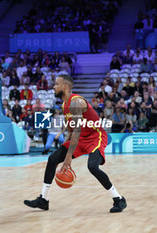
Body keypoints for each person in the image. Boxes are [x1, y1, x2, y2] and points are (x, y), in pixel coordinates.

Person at [24, 74, 127, 213]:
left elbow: (77, 130)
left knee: (92, 167)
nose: (53, 87)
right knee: (53, 159)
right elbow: (71, 130)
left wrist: (68, 157)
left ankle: (118, 199)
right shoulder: (64, 105)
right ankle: (44, 199)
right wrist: (64, 149)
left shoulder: (76, 102)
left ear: (65, 86)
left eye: (56, 84)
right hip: (80, 137)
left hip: (95, 136)